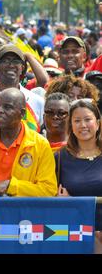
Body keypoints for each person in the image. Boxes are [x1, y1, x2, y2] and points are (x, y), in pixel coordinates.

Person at [54, 99, 102, 251]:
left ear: (98, 123)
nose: (83, 125)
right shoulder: (59, 157)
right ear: (71, 126)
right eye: (77, 121)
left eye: (88, 119)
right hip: (75, 233)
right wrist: (67, 202)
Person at [0, 44, 45, 128]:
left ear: (22, 68)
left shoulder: (37, 101)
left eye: (16, 61)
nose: (11, 65)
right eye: (5, 61)